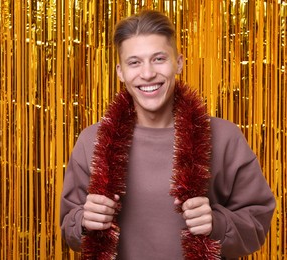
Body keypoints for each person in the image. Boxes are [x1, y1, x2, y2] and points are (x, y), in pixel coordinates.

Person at [60, 10, 275, 259]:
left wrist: (217, 224)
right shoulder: (91, 141)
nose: (148, 73)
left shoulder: (225, 137)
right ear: (120, 72)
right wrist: (85, 221)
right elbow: (69, 228)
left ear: (179, 63)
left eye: (159, 59)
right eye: (135, 62)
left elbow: (258, 223)